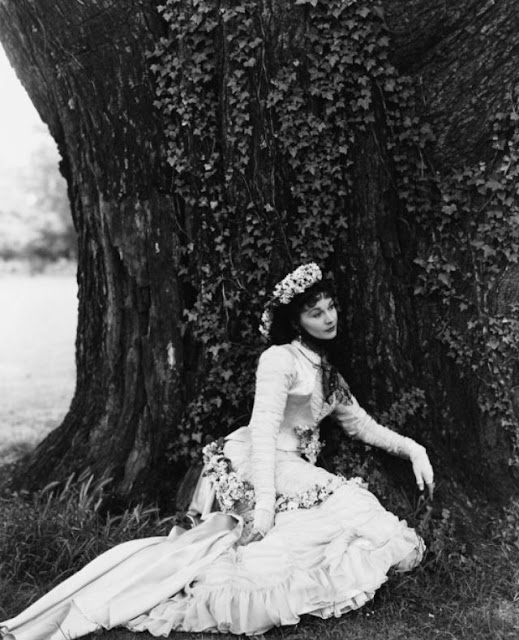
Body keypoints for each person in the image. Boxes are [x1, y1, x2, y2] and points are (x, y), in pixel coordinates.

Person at [1, 263, 434, 640]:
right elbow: (263, 433)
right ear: (297, 321)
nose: (328, 318)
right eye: (315, 313)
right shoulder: (280, 360)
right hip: (258, 459)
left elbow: (360, 423)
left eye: (330, 308)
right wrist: (263, 504)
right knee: (351, 505)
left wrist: (414, 449)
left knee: (350, 519)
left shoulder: (326, 370)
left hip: (292, 465)